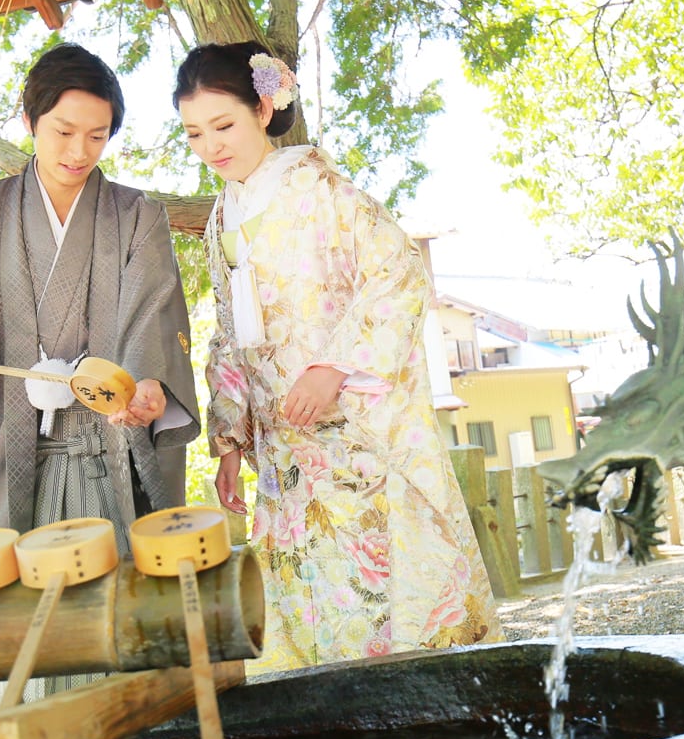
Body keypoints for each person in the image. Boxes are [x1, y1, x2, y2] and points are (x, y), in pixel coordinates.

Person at [173, 41, 504, 674]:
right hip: (281, 444)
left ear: (263, 109)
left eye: (224, 125)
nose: (212, 146)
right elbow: (229, 331)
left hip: (349, 433)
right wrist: (231, 440)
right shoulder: (223, 216)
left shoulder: (318, 189)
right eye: (195, 134)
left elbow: (400, 273)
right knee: (305, 600)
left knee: (374, 593)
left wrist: (334, 368)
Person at [0, 42, 200, 555]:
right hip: (14, 461)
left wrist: (148, 386)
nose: (79, 152)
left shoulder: (137, 216)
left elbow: (155, 315)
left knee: (121, 619)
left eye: (97, 136)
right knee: (23, 619)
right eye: (63, 131)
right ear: (29, 120)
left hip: (112, 456)